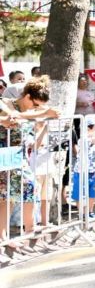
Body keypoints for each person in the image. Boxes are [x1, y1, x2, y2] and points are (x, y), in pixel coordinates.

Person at [0, 77, 60, 240]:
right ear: (27, 97)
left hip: (18, 158)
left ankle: (29, 230)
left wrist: (45, 115)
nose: (36, 109)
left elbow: (24, 119)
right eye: (35, 104)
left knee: (27, 189)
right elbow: (14, 116)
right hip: (3, 157)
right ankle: (4, 237)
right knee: (5, 198)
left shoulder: (31, 112)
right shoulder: (5, 103)